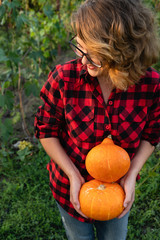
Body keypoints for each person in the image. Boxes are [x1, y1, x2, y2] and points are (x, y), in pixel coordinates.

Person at [34, 0, 160, 239]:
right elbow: (46, 131)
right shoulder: (64, 79)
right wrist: (73, 175)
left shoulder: (150, 86)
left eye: (92, 53)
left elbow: (151, 134)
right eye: (79, 48)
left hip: (118, 193)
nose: (82, 60)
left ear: (120, 49)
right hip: (67, 186)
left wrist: (131, 174)